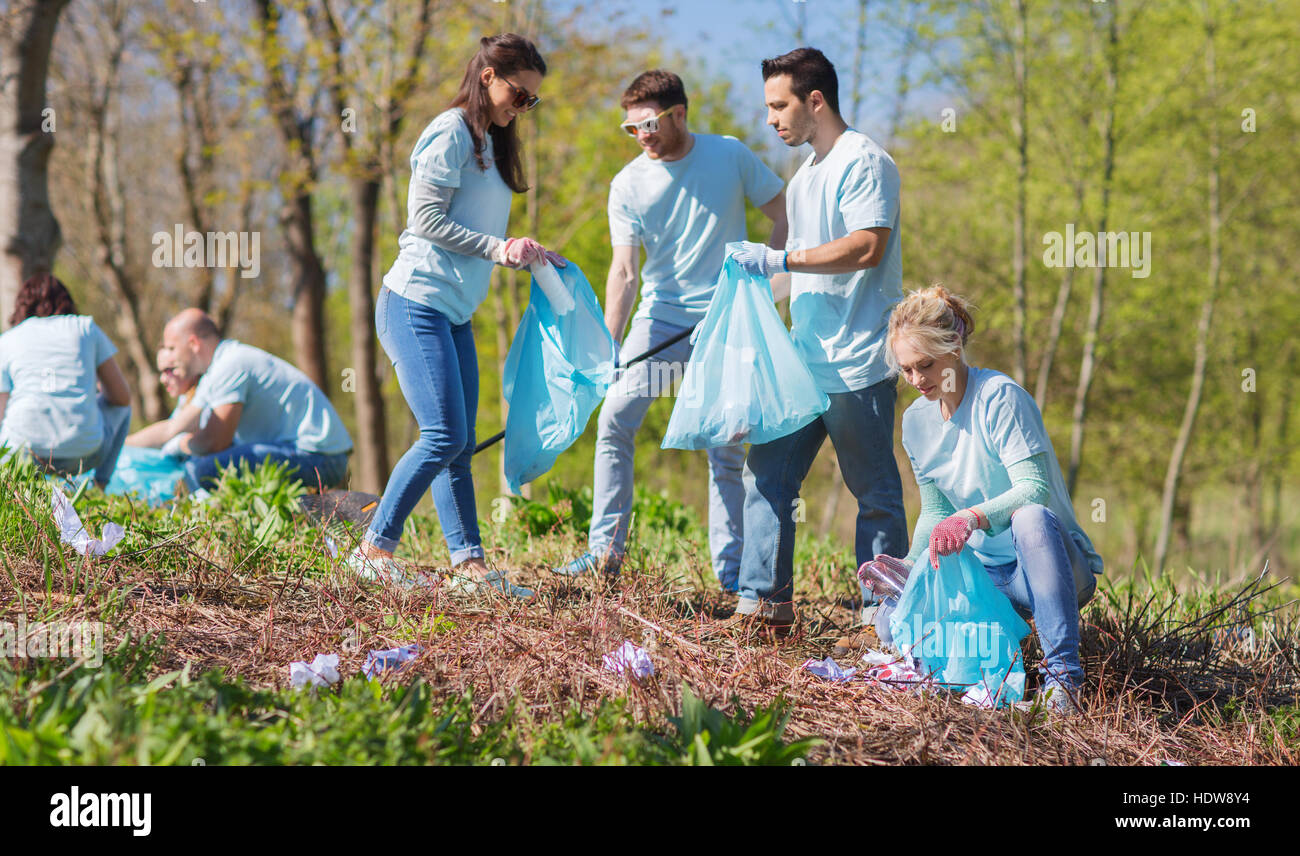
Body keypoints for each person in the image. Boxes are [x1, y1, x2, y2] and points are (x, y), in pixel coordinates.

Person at [551, 69, 788, 590]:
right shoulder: (627, 184)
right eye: (630, 128)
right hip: (660, 321)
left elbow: (783, 213)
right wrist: (609, 345)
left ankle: (732, 576)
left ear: (680, 113)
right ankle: (604, 554)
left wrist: (765, 291)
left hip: (726, 319)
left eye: (651, 123)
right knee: (614, 418)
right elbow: (624, 272)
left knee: (725, 446)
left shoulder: (728, 155)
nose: (642, 136)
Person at [348, 33, 561, 599]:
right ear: (488, 76)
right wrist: (498, 248)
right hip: (414, 303)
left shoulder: (492, 145)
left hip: (454, 313)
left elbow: (483, 230)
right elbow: (424, 220)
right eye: (520, 94)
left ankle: (469, 568)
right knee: (442, 435)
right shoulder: (449, 132)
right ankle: (372, 549)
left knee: (459, 443)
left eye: (531, 102)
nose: (522, 108)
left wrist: (528, 253)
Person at [723, 48, 908, 633]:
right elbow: (794, 268)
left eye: (780, 106)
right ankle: (763, 608)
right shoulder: (802, 176)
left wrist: (780, 255)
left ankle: (886, 620)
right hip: (803, 363)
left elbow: (865, 246)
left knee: (874, 494)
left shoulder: (865, 161)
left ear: (816, 100)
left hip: (858, 363)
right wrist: (737, 300)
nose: (771, 119)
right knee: (766, 478)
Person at [866, 285, 1103, 713]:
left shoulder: (999, 397)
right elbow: (936, 510)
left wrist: (971, 518)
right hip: (986, 580)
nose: (917, 380)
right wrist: (908, 567)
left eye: (926, 365)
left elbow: (1034, 489)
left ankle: (1063, 680)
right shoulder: (916, 422)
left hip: (1046, 568)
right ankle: (996, 652)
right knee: (889, 622)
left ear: (954, 347)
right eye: (906, 370)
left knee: (1029, 517)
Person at [141, 308, 352, 492]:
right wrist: (124, 446)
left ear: (193, 343)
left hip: (321, 458)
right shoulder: (216, 369)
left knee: (202, 470)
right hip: (306, 452)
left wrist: (180, 445)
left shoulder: (231, 364)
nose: (167, 355)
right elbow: (173, 427)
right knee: (205, 463)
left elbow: (214, 442)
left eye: (170, 348)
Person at [0, 273, 132, 488]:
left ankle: (12, 487)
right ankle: (100, 486)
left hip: (22, 455)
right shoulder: (85, 328)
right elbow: (122, 398)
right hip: (83, 453)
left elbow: (1, 409)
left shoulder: (8, 339)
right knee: (124, 409)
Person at [125, 348, 208, 448]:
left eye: (170, 370)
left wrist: (123, 443)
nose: (162, 379)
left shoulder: (206, 392)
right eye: (161, 372)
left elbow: (169, 430)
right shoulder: (185, 397)